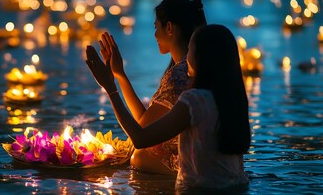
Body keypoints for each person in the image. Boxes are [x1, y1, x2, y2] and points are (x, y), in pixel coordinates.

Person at [86, 24, 251, 189]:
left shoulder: (194, 101)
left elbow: (140, 139)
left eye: (190, 50)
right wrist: (119, 74)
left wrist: (110, 88)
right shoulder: (232, 99)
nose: (186, 58)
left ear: (201, 57)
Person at [96, 0, 207, 175]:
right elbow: (146, 122)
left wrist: (110, 87)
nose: (154, 35)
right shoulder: (188, 68)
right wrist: (119, 75)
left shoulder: (180, 75)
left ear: (169, 27)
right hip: (204, 166)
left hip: (192, 172)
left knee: (139, 157)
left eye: (156, 27)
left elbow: (141, 133)